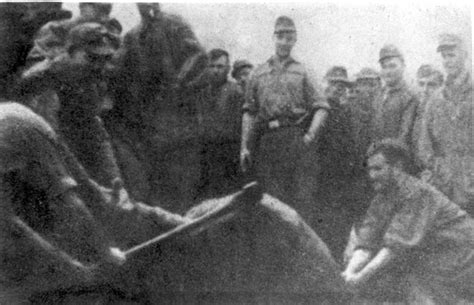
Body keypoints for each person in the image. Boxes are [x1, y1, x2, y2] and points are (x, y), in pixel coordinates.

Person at [342, 139, 474, 304]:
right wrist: (348, 273)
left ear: (397, 167)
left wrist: (359, 277)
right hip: (436, 256)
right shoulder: (381, 197)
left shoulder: (416, 192)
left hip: (462, 255)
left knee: (414, 287)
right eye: (369, 169)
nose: (372, 176)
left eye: (378, 169)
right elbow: (366, 243)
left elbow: (395, 247)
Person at [103, 3, 207, 211]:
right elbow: (114, 68)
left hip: (180, 126)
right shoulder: (133, 36)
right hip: (150, 130)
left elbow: (198, 55)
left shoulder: (174, 23)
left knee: (182, 192)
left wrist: (178, 83)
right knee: (157, 193)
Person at [240, 16, 329, 216]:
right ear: (274, 38)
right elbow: (249, 112)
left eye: (289, 38)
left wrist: (309, 135)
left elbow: (322, 106)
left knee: (299, 198)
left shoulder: (303, 70)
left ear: (294, 41)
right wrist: (244, 147)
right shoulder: (258, 72)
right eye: (280, 37)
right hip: (267, 141)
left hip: (294, 137)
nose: (284, 42)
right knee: (271, 199)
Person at [418, 34, 473, 215]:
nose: (447, 61)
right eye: (444, 56)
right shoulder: (435, 100)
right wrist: (441, 171)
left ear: (465, 55)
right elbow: (425, 147)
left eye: (452, 55)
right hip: (444, 191)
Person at [312, 66, 357, 262]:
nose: (338, 88)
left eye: (342, 85)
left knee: (338, 229)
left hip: (340, 181)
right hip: (317, 178)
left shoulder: (346, 113)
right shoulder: (314, 109)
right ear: (324, 84)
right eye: (334, 83)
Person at [197, 48, 244, 199]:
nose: (216, 71)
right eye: (212, 66)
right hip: (205, 152)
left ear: (228, 69)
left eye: (220, 67)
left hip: (228, 153)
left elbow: (241, 126)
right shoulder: (201, 93)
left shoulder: (235, 92)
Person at [372, 44, 418, 151]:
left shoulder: (409, 97)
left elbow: (404, 135)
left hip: (398, 156)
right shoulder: (378, 94)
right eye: (384, 67)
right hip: (377, 154)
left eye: (392, 66)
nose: (388, 71)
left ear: (403, 66)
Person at [411, 64, 443, 160]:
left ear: (440, 87)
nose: (425, 90)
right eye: (421, 84)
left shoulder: (443, 113)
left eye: (431, 85)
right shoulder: (412, 109)